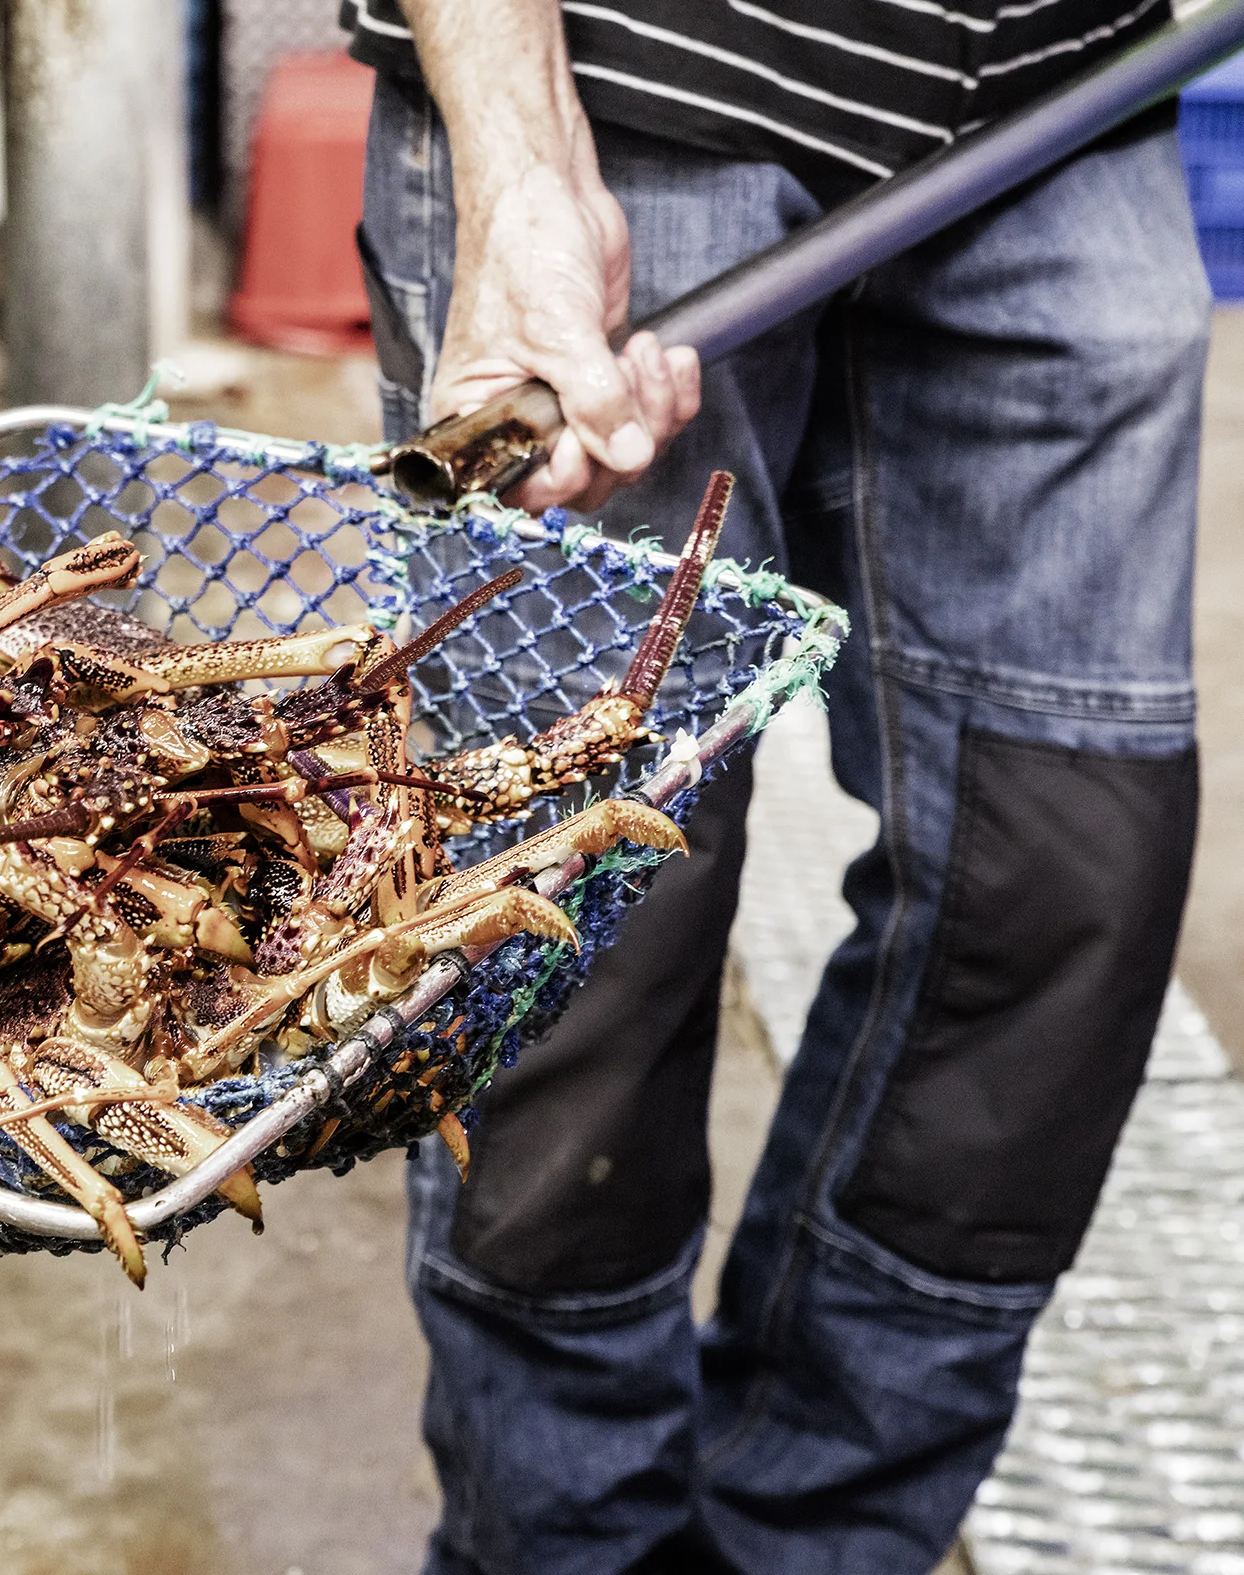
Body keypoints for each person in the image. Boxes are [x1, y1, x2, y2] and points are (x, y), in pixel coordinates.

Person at [340, 0, 1207, 1569]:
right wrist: (520, 162)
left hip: (1060, 83)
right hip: (629, 89)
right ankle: (560, 1539)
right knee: (578, 944)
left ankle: (810, 1534)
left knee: (1064, 868)